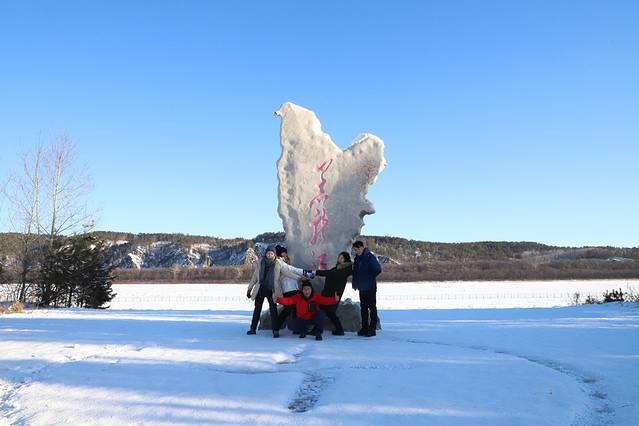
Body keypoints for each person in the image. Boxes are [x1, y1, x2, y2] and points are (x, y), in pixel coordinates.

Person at [314, 251, 353, 335]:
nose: (339, 259)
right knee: (327, 311)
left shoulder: (345, 269)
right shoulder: (337, 268)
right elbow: (330, 273)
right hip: (328, 292)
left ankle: (337, 330)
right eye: (339, 257)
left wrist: (316, 272)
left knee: (328, 312)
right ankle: (337, 330)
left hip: (334, 294)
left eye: (342, 258)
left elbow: (329, 273)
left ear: (346, 259)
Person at [273, 245, 307, 333]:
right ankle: (276, 328)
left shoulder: (287, 262)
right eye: (283, 253)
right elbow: (286, 274)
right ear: (279, 254)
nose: (284, 255)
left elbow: (294, 271)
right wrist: (300, 278)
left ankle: (295, 328)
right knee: (287, 310)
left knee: (296, 309)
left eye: (285, 253)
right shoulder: (279, 263)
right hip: (287, 289)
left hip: (295, 288)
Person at [352, 240, 382, 337]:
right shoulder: (357, 258)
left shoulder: (370, 256)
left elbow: (378, 269)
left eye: (358, 249)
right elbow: (355, 272)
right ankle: (364, 327)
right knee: (363, 307)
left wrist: (369, 277)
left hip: (370, 286)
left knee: (372, 307)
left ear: (362, 247)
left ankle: (372, 328)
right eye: (355, 250)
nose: (357, 251)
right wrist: (355, 283)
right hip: (362, 287)